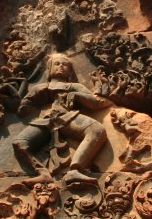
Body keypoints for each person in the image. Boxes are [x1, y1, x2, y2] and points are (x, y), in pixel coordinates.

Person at [13, 53, 111, 186]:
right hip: (45, 121)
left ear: (70, 71)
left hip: (67, 117)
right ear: (49, 69)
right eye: (57, 64)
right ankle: (42, 173)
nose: (61, 67)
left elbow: (94, 103)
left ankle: (75, 169)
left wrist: (76, 95)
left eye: (65, 65)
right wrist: (23, 100)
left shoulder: (74, 86)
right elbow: (23, 109)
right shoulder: (39, 88)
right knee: (20, 143)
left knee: (97, 130)